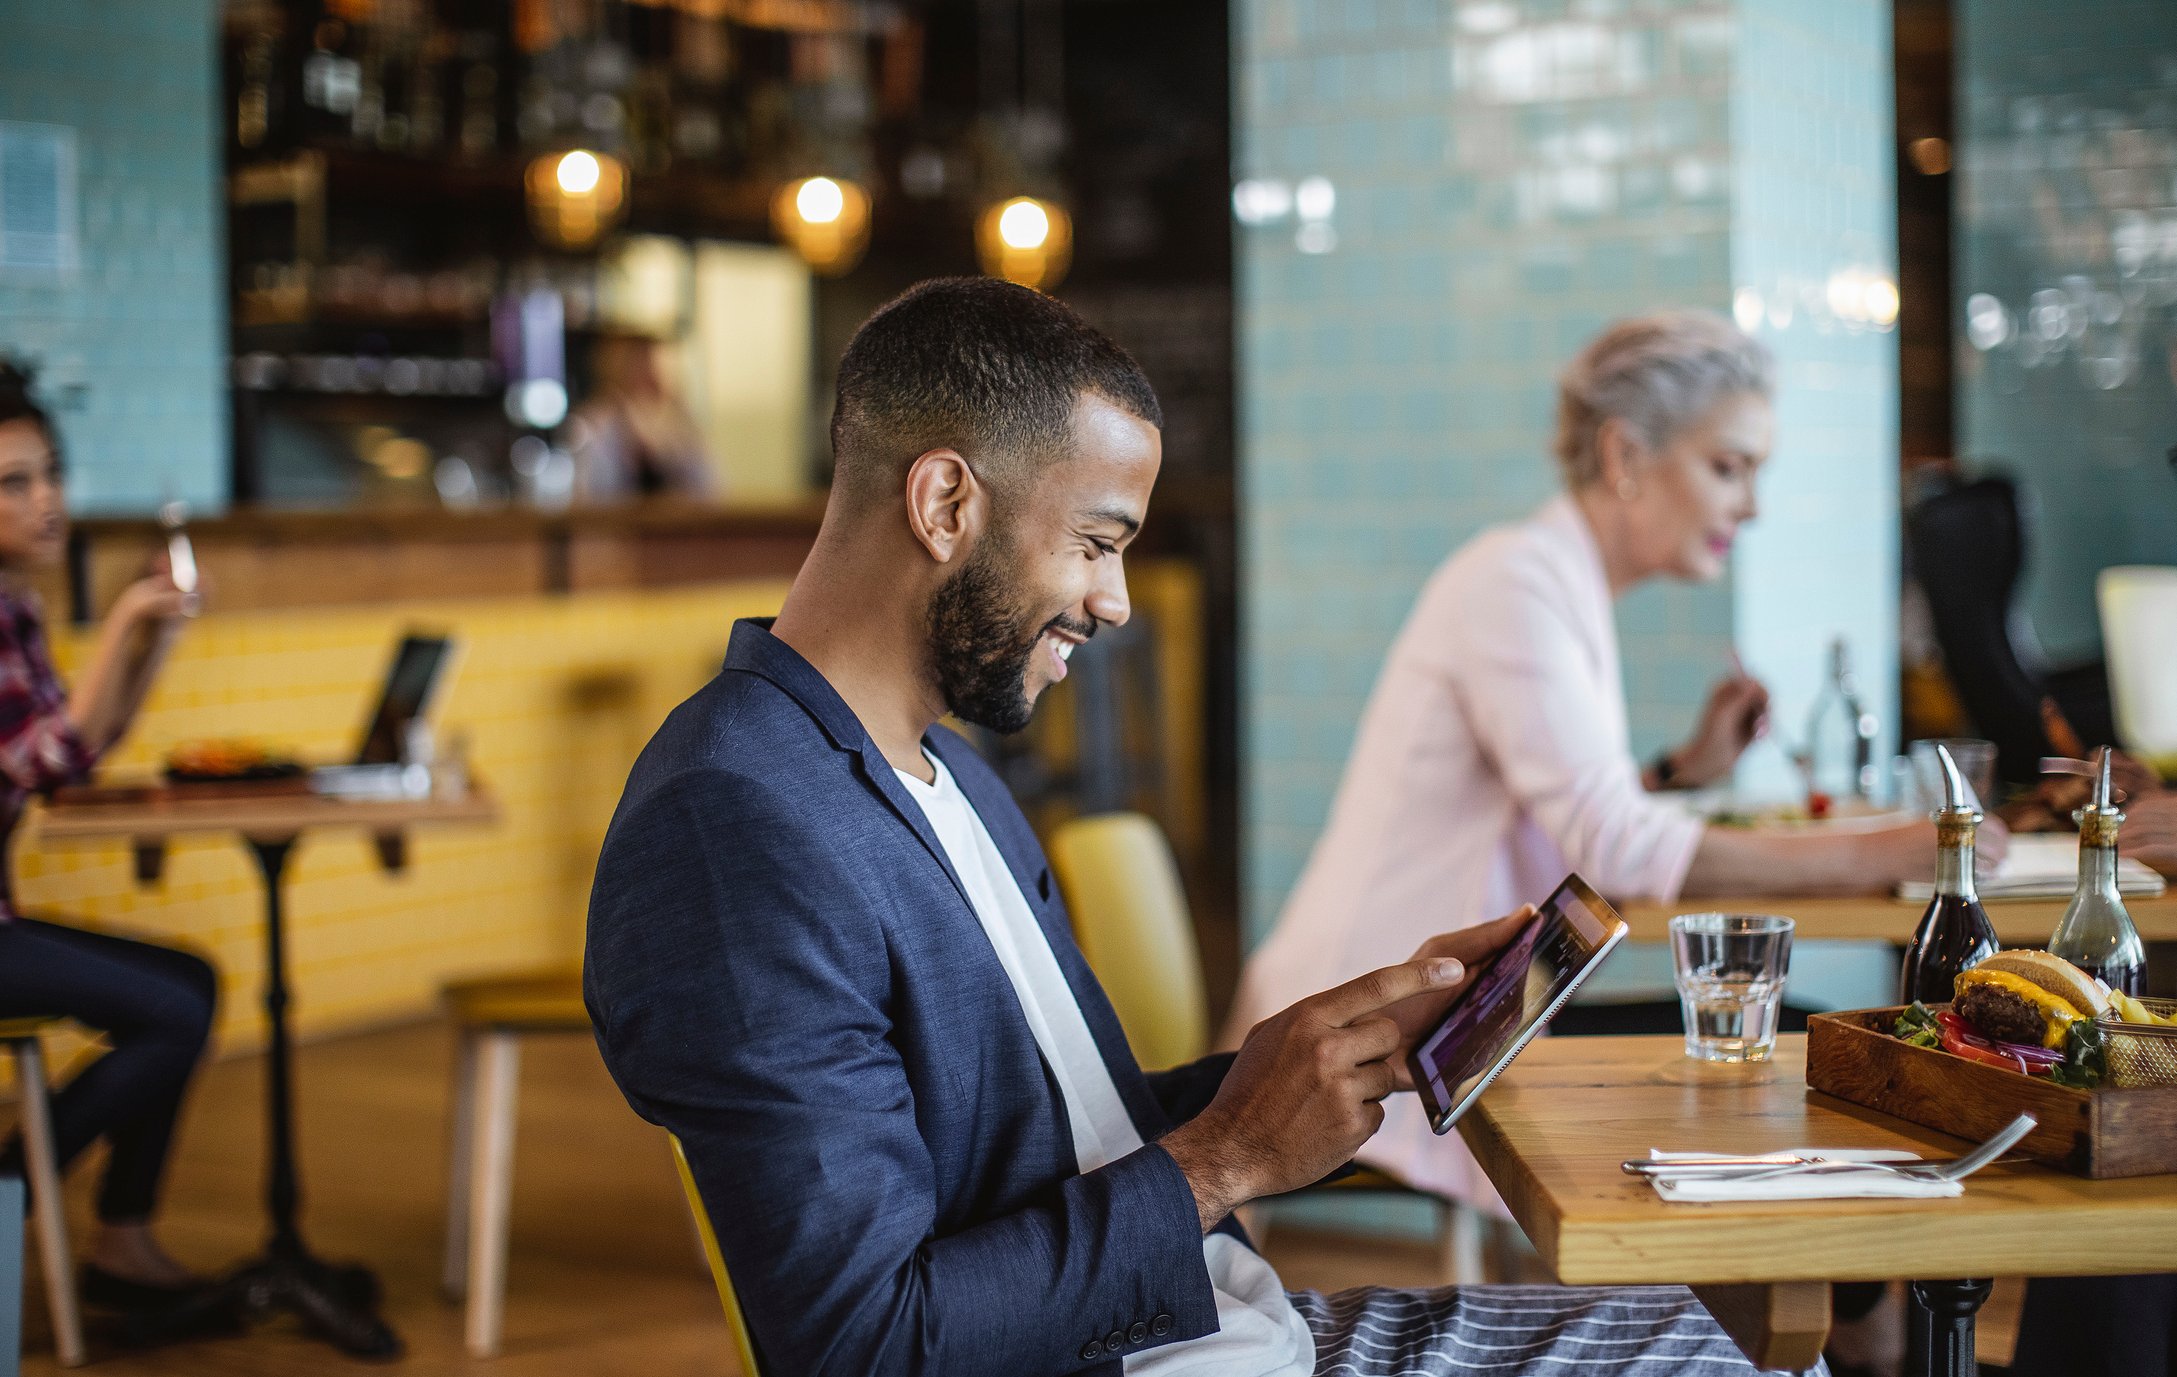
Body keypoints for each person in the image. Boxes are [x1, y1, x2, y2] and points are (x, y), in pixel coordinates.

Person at [585, 280, 1780, 1376]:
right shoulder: (735, 822)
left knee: (1706, 1333)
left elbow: (1042, 1142)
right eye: (1096, 544)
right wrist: (1234, 1155)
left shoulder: (942, 774)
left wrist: (1323, 1056)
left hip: (1225, 1331)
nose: (1111, 600)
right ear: (945, 501)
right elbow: (864, 1343)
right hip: (1159, 1357)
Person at [1226, 311, 2009, 1207]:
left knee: (1800, 1048)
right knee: (1806, 1055)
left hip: (1453, 1015)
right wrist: (1903, 848)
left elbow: (1578, 818)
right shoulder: (1517, 582)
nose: (1749, 507)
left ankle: (1836, 1323)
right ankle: (1844, 1330)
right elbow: (1616, 851)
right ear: (1625, 456)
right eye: (1728, 467)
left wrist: (1678, 773)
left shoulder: (1554, 580)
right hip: (1376, 1039)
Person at [0, 363, 218, 1312]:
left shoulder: (16, 606)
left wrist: (155, 639)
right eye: (15, 482)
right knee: (175, 1007)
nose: (49, 500)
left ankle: (122, 1239)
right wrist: (126, 614)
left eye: (51, 472)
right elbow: (47, 759)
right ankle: (10, 1186)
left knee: (191, 987)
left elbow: (78, 753)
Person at [563, 331, 717, 500]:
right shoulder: (594, 424)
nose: (652, 371)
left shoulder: (678, 423)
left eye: (653, 361)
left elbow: (710, 487)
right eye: (640, 361)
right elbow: (590, 494)